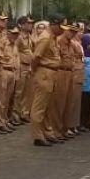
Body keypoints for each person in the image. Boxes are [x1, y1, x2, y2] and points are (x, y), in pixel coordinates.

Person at [31, 16, 64, 147]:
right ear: (55, 25)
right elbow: (36, 57)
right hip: (44, 72)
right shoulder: (45, 37)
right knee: (39, 106)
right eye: (61, 27)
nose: (62, 31)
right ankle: (37, 135)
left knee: (49, 106)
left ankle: (47, 132)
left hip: (51, 73)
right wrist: (35, 71)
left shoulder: (53, 37)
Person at [14, 16, 35, 123]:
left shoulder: (30, 37)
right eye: (28, 23)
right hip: (21, 65)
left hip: (29, 66)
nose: (30, 25)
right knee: (19, 91)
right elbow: (15, 51)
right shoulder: (18, 37)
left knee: (27, 91)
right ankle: (16, 113)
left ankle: (24, 112)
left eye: (31, 23)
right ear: (21, 25)